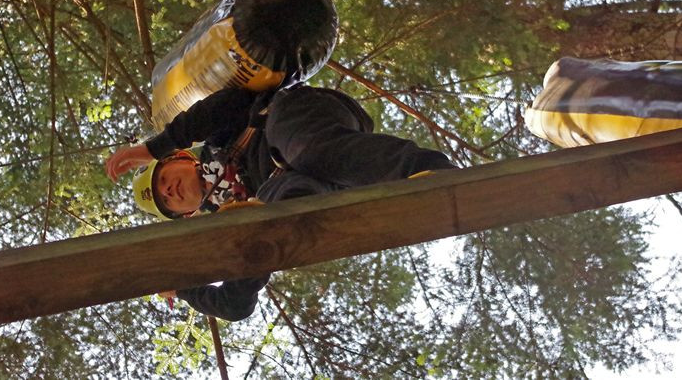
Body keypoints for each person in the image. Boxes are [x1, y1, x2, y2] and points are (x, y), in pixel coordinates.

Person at [105, 84, 456, 321]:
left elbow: (229, 103)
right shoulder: (235, 218)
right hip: (306, 183)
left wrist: (154, 148)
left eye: (163, 180)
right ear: (187, 214)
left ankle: (428, 170)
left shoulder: (217, 142)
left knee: (309, 151)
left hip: (291, 118)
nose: (169, 191)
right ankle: (293, 212)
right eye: (166, 202)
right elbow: (234, 304)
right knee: (278, 220)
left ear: (180, 158)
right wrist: (184, 288)